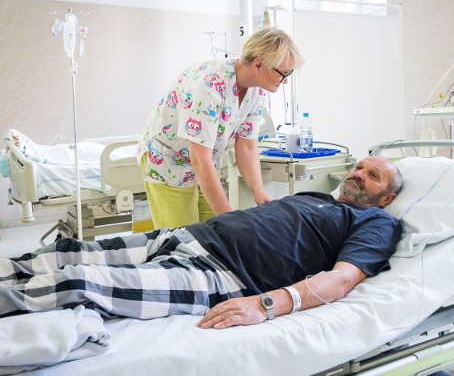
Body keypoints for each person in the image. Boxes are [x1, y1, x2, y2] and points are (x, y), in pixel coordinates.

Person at [0, 156, 403, 329]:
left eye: (373, 176)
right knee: (65, 252)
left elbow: (341, 281)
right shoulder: (318, 198)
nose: (358, 174)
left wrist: (267, 305)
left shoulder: (376, 222)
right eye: (359, 167)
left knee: (79, 283)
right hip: (182, 236)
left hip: (216, 275)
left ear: (386, 198)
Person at [137, 27, 304, 229]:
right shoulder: (208, 88)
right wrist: (230, 219)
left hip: (204, 162)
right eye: (284, 73)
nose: (286, 80)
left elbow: (247, 144)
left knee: (215, 233)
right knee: (182, 240)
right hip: (169, 159)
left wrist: (257, 190)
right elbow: (200, 160)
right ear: (259, 64)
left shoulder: (256, 92)